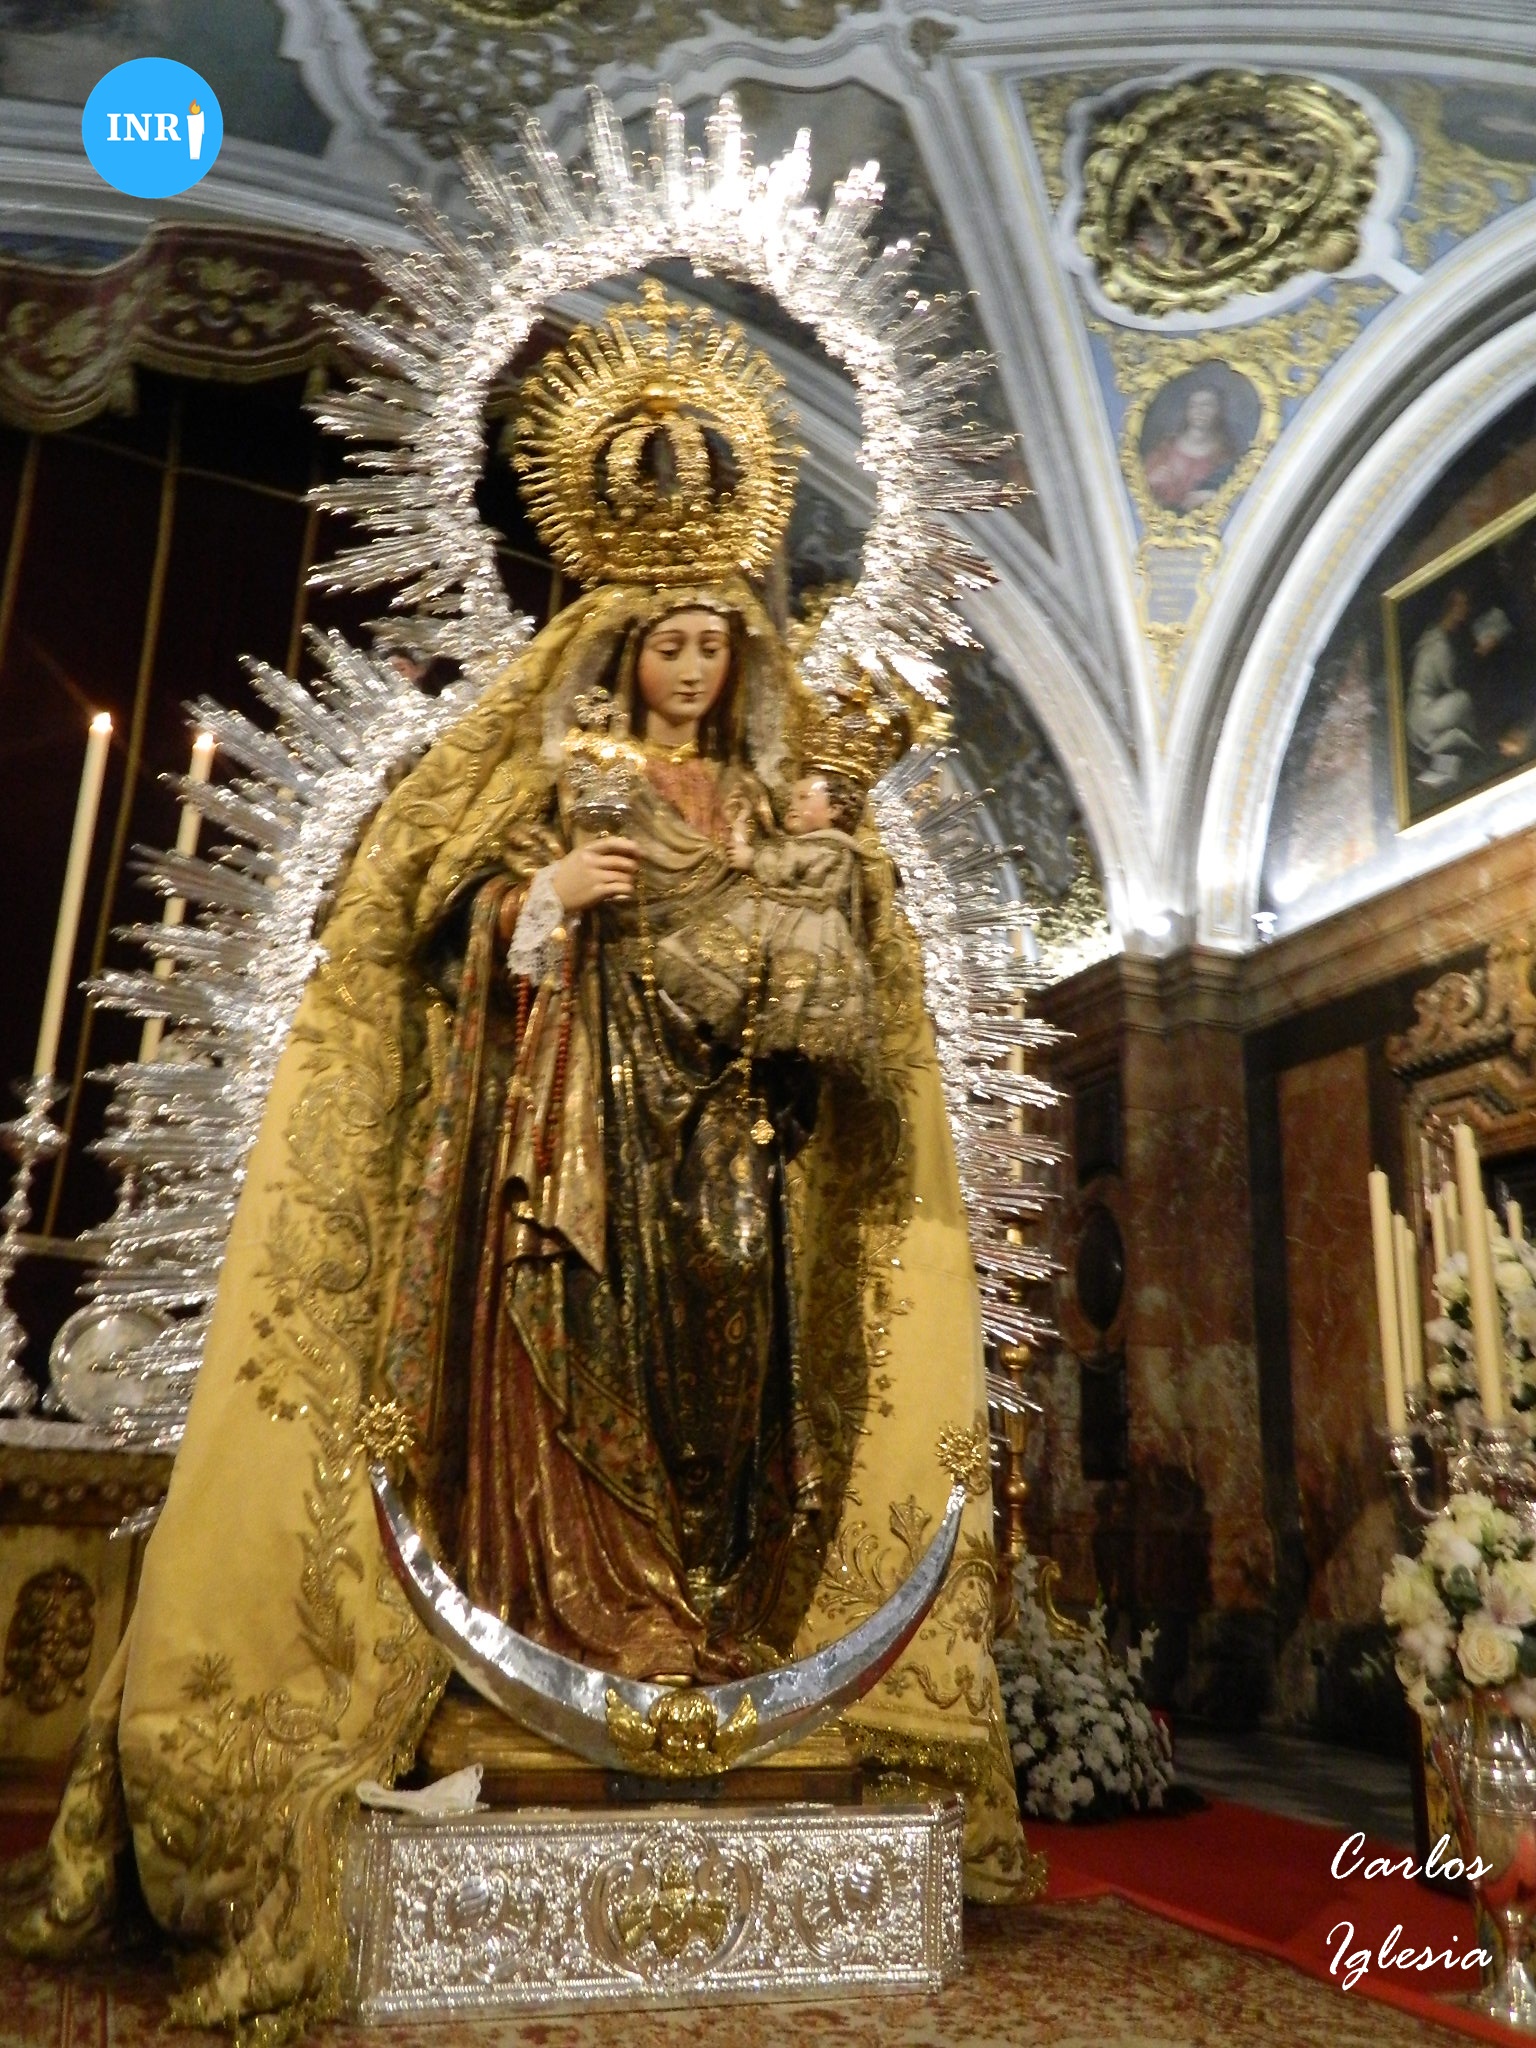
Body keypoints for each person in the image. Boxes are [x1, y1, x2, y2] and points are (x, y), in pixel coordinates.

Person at [4, 287, 1034, 2033]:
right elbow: (429, 916)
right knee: (571, 1371)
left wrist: (832, 868)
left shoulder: (777, 801)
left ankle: (704, 1627)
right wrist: (536, 902)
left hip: (741, 1163)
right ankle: (561, 1629)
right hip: (567, 1141)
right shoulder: (549, 772)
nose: (691, 670)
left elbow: (848, 988)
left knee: (729, 1391)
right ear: (617, 644)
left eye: (713, 644)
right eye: (665, 643)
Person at [1404, 586, 1481, 792]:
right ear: (1451, 607)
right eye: (1462, 605)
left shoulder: (1434, 636)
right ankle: (1469, 749)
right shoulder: (1438, 643)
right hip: (1424, 714)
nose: (1466, 610)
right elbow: (1447, 684)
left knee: (1455, 725)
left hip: (1419, 712)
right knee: (1463, 700)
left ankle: (1438, 775)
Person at [1142, 382, 1237, 513]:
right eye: (1193, 405)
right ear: (1187, 410)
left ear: (1219, 410)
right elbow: (1139, 486)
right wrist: (1151, 480)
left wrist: (1212, 496)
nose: (1199, 411)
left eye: (1206, 405)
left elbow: (1236, 493)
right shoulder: (1165, 448)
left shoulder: (1225, 455)